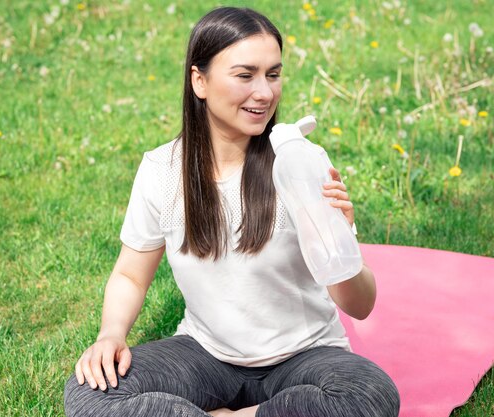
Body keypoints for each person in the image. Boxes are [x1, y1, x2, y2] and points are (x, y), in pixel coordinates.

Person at [63, 6, 400, 417]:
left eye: (273, 74)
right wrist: (110, 335)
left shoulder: (300, 164)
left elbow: (360, 306)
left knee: (368, 395)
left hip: (303, 358)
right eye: (246, 75)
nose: (264, 92)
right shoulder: (163, 170)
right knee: (91, 391)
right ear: (199, 80)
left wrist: (339, 243)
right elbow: (132, 273)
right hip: (206, 356)